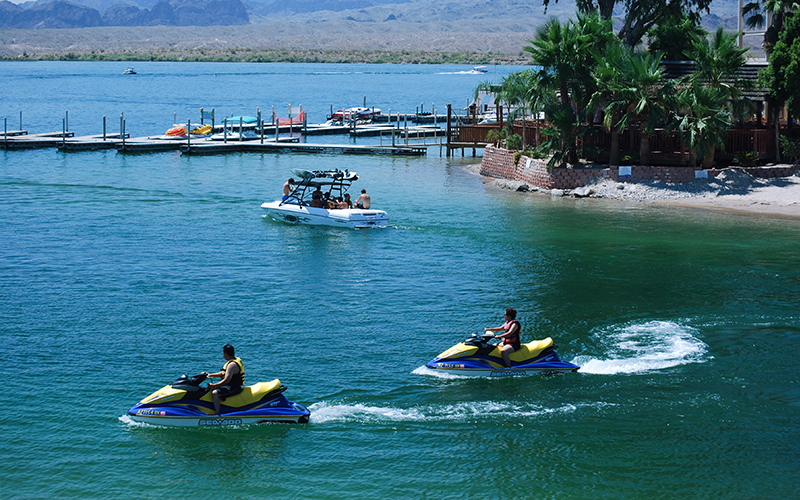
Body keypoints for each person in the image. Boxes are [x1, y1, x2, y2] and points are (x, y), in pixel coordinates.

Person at [206, 343, 245, 414]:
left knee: (215, 393)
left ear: (226, 354)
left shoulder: (232, 365)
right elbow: (223, 373)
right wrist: (210, 375)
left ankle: (217, 414)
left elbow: (226, 380)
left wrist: (214, 385)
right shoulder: (236, 360)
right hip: (231, 385)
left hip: (233, 387)